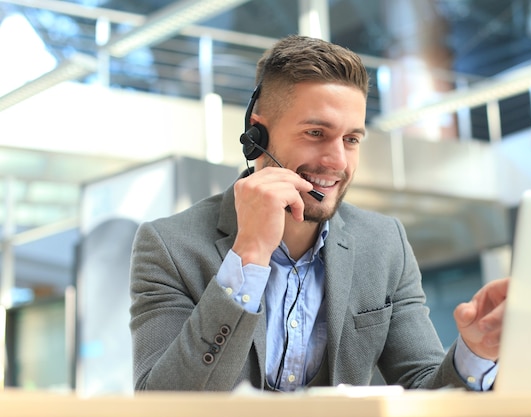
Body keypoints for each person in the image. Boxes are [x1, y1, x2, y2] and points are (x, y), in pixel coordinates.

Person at [129, 35, 508, 392]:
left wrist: (474, 352)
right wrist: (248, 257)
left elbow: (423, 388)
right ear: (256, 136)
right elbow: (162, 402)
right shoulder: (169, 247)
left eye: (351, 139)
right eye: (315, 133)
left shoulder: (383, 244)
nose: (337, 162)